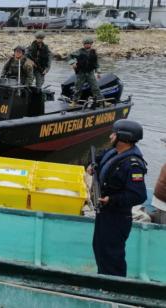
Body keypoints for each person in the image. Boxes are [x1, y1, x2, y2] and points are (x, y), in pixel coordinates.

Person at [88, 119, 147, 277]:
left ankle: (114, 287)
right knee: (100, 248)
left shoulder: (133, 165)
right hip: (105, 214)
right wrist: (92, 165)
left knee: (112, 255)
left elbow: (138, 194)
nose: (110, 136)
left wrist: (111, 200)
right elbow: (100, 158)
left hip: (117, 218)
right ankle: (104, 280)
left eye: (114, 134)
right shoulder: (115, 152)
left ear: (123, 137)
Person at [68, 37, 104, 103]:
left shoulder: (93, 53)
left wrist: (98, 72)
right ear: (83, 44)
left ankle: (101, 101)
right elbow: (70, 56)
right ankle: (74, 101)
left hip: (90, 73)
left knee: (95, 88)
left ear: (91, 44)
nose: (87, 45)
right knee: (78, 88)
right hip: (81, 73)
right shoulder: (79, 52)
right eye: (86, 44)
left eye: (88, 44)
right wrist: (73, 63)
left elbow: (96, 64)